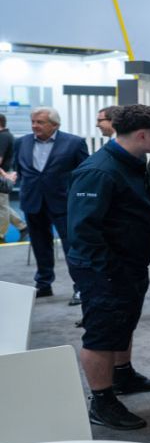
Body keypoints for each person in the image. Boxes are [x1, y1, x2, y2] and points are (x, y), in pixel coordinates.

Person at [67, 104, 150, 430]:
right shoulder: (99, 171)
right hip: (105, 270)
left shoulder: (132, 162)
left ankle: (123, 376)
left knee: (122, 322)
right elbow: (83, 231)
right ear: (142, 135)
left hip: (129, 264)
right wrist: (109, 271)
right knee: (101, 334)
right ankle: (101, 402)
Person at [14, 107, 88, 303]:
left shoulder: (74, 143)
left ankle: (81, 287)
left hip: (63, 203)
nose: (34, 126)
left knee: (72, 246)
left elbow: (84, 174)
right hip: (32, 201)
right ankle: (43, 284)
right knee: (40, 245)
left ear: (55, 125)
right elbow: (19, 169)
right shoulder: (21, 142)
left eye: (40, 122)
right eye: (33, 122)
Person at [0, 113, 27, 243]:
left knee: (2, 206)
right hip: (4, 173)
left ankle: (1, 234)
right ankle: (22, 226)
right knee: (2, 205)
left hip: (3, 175)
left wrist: (4, 174)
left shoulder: (3, 136)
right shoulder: (6, 136)